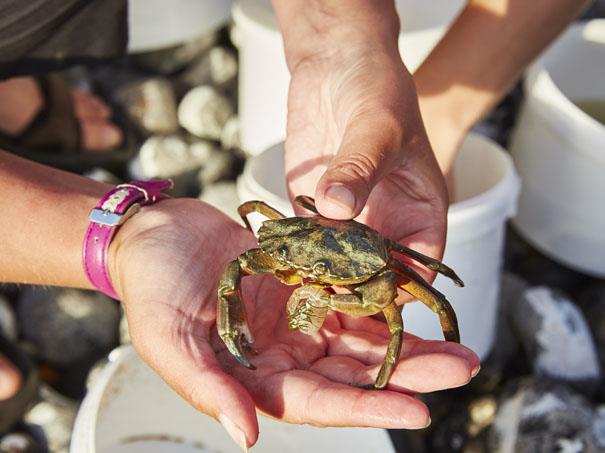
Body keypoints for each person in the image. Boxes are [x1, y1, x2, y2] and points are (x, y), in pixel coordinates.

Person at [0, 0, 588, 449]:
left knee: (400, 306)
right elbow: (253, 228)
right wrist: (123, 241)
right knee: (237, 276)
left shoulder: (380, 267)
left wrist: (339, 42)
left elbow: (424, 288)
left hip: (367, 257)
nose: (317, 275)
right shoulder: (272, 244)